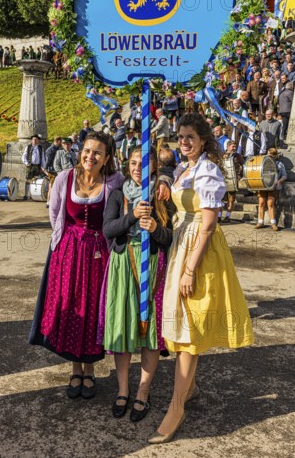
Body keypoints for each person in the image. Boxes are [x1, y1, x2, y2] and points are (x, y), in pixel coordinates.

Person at [148, 113, 254, 444]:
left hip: (199, 249)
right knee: (180, 320)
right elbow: (174, 181)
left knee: (189, 324)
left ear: (204, 139)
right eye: (180, 137)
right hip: (182, 241)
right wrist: (165, 182)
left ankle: (177, 405)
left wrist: (191, 269)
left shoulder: (207, 169)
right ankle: (189, 388)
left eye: (190, 137)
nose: (184, 142)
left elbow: (208, 224)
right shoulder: (186, 168)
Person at [29, 132, 124, 399]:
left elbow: (139, 185)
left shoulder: (114, 181)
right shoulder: (64, 178)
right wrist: (63, 244)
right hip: (68, 252)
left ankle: (90, 370)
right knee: (70, 306)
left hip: (98, 253)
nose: (90, 156)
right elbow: (55, 211)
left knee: (92, 308)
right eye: (87, 150)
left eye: (97, 153)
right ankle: (75, 368)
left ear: (107, 158)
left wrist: (162, 178)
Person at [101, 146, 173, 422]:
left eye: (143, 163)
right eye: (132, 162)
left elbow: (171, 238)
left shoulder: (162, 194)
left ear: (154, 166)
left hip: (152, 265)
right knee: (122, 325)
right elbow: (108, 229)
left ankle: (143, 391)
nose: (136, 167)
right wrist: (131, 217)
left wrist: (157, 229)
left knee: (149, 331)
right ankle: (123, 389)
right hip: (122, 264)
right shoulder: (119, 195)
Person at [255, 148, 287, 231]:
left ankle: (273, 223)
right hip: (263, 185)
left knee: (270, 203)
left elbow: (284, 175)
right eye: (268, 154)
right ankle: (260, 222)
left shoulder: (279, 164)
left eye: (271, 155)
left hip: (273, 186)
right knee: (261, 203)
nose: (269, 156)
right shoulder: (263, 163)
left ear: (275, 156)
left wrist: (279, 181)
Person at [219, 140, 244, 223]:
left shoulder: (237, 156)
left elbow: (243, 166)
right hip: (222, 179)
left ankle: (228, 216)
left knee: (231, 199)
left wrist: (240, 176)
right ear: (228, 146)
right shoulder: (221, 155)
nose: (234, 148)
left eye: (235, 147)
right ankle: (219, 216)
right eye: (232, 146)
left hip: (233, 180)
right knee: (220, 199)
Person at [22, 135, 46, 200]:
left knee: (36, 181)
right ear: (31, 140)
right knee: (28, 180)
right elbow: (24, 155)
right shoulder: (28, 147)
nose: (34, 141)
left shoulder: (41, 148)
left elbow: (43, 158)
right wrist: (26, 163)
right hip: (30, 166)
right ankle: (26, 195)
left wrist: (43, 167)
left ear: (38, 141)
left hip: (38, 166)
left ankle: (33, 195)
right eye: (33, 139)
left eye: (36, 139)